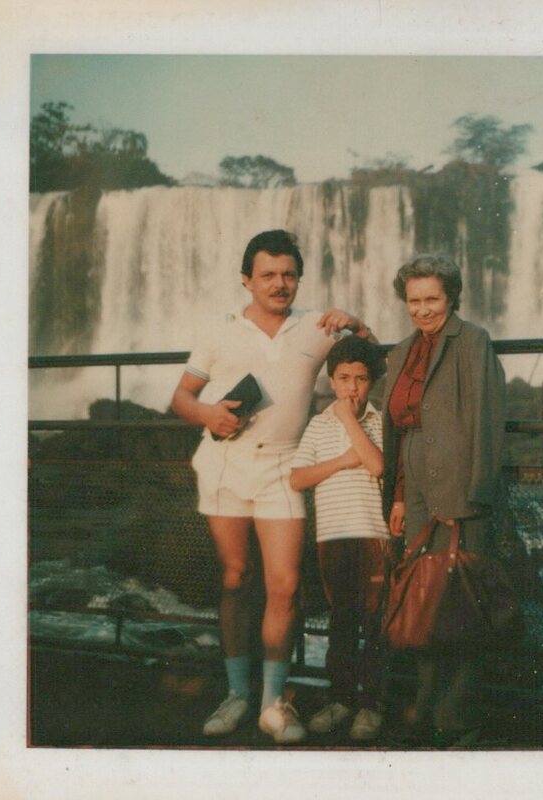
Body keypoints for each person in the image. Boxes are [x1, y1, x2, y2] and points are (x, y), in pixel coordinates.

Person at [170, 229, 374, 744]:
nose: (279, 284)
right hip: (224, 464)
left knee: (284, 585)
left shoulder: (317, 327)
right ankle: (237, 693)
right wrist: (209, 414)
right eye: (268, 275)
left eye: (288, 275)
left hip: (284, 466)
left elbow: (372, 361)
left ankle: (272, 703)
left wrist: (356, 323)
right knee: (236, 578)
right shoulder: (219, 330)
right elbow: (182, 398)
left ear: (298, 278)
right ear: (247, 280)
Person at [381, 253, 507, 739]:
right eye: (413, 300)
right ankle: (427, 706)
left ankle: (456, 718)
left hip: (459, 489)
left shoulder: (472, 341)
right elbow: (400, 432)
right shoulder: (401, 352)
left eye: (432, 299)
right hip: (415, 491)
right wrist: (397, 497)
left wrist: (474, 496)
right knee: (424, 598)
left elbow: (486, 421)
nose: (422, 309)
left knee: (463, 602)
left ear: (451, 297)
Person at [289, 336, 390, 741]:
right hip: (333, 535)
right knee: (342, 619)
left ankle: (371, 705)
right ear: (331, 381)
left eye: (361, 379)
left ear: (371, 383)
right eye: (344, 378)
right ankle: (341, 699)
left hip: (373, 535)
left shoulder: (378, 421)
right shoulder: (318, 425)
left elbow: (378, 466)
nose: (352, 388)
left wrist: (350, 422)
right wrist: (344, 460)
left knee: (376, 621)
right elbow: (298, 477)